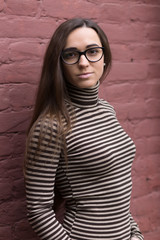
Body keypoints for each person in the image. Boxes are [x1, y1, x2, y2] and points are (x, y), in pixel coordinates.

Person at [24, 18, 144, 240]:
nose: (83, 62)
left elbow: (115, 189)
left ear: (104, 57)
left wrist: (135, 233)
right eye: (71, 54)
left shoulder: (107, 110)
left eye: (92, 51)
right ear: (59, 63)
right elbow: (38, 210)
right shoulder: (50, 125)